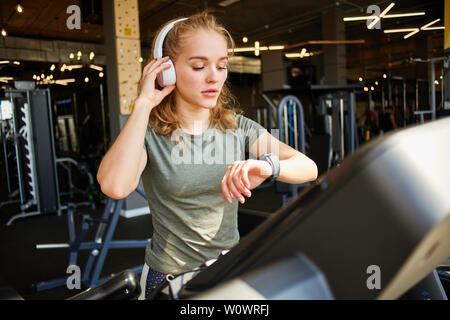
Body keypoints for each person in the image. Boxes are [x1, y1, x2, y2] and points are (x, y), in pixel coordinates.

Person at [96, 11, 318, 300]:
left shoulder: (237, 126)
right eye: (199, 66)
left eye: (221, 66)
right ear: (168, 70)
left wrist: (266, 166)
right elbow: (115, 186)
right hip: (169, 280)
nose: (215, 77)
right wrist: (143, 104)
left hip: (227, 269)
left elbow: (308, 167)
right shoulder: (149, 133)